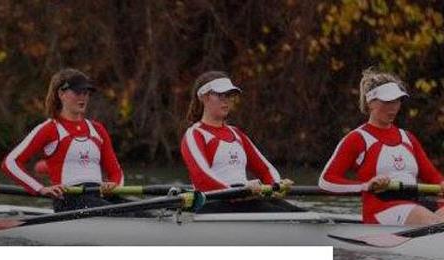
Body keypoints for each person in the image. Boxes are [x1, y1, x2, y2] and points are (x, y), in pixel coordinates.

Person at [319, 68, 444, 225]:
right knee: (431, 220)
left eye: (397, 101)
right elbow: (326, 181)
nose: (393, 107)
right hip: (380, 210)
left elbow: (433, 177)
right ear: (370, 102)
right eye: (387, 102)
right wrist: (366, 186)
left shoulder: (408, 138)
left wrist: (442, 184)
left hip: (415, 204)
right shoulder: (357, 139)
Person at [1, 68, 124, 212]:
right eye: (77, 92)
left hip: (98, 197)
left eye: (86, 92)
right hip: (69, 201)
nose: (83, 97)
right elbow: (10, 163)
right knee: (127, 214)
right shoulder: (50, 129)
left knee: (148, 213)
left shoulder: (98, 129)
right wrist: (40, 189)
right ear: (61, 94)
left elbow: (116, 173)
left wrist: (113, 185)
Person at [180, 71, 300, 213]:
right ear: (203, 97)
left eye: (229, 95)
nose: (226, 100)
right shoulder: (195, 135)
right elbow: (202, 178)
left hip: (244, 199)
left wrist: (276, 185)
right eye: (220, 95)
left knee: (299, 213)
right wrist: (239, 191)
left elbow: (265, 169)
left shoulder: (236, 134)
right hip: (214, 202)